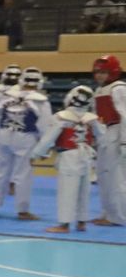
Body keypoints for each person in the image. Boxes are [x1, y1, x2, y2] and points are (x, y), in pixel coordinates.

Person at [33, 86, 104, 234]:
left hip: (69, 155)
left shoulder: (61, 117)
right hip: (86, 155)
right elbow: (102, 136)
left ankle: (64, 224)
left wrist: (37, 154)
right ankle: (82, 222)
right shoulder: (92, 119)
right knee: (84, 190)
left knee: (67, 190)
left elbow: (48, 139)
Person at [0, 68, 50, 220]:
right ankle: (22, 210)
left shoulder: (7, 97)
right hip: (25, 138)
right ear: (39, 82)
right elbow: (45, 126)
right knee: (23, 174)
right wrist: (44, 150)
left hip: (4, 135)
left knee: (0, 171)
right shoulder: (40, 101)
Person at [92, 55, 126, 226]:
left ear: (113, 72)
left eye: (104, 72)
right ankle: (107, 213)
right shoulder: (99, 91)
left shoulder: (119, 88)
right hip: (104, 135)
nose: (99, 76)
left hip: (116, 133)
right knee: (103, 177)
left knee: (116, 178)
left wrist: (124, 142)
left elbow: (125, 115)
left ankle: (120, 217)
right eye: (97, 72)